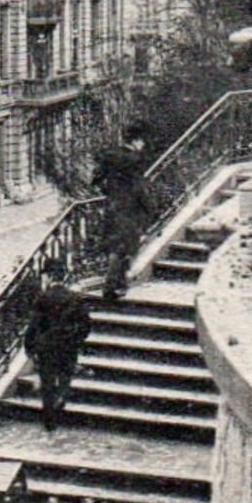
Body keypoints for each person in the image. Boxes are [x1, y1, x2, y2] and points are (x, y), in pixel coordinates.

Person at [23, 259, 93, 432]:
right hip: (68, 345)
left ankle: (49, 421)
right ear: (63, 276)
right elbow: (86, 324)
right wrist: (77, 340)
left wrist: (29, 346)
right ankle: (61, 398)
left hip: (46, 346)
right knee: (65, 376)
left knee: (47, 382)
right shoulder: (74, 298)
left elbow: (34, 325)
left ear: (50, 276)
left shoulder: (42, 298)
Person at [94, 122, 151, 301]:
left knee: (115, 246)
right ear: (136, 141)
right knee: (123, 248)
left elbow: (96, 180)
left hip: (112, 207)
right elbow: (139, 187)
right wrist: (148, 206)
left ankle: (119, 283)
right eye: (142, 142)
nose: (143, 146)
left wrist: (110, 192)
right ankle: (111, 287)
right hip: (130, 208)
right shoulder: (135, 159)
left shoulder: (110, 156)